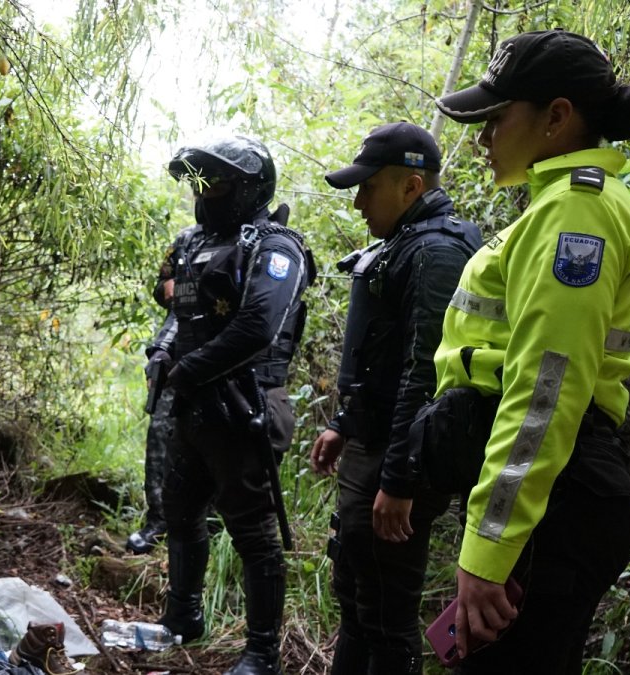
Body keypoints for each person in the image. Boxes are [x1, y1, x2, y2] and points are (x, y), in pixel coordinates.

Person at [430, 29, 630, 672]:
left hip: (562, 495)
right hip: (561, 490)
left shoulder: (577, 213)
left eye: (496, 119)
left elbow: (546, 389)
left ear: (557, 117)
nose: (482, 138)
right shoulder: (561, 206)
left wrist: (489, 547)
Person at [310, 122, 482, 674]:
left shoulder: (438, 251)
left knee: (386, 608)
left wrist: (399, 479)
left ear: (411, 186)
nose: (358, 202)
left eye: (368, 188)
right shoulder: (405, 245)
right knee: (358, 591)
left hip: (399, 456)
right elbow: (379, 355)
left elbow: (425, 371)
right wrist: (342, 421)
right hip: (376, 444)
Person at [155, 134, 313, 675]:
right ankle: (183, 618)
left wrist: (189, 370)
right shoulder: (197, 242)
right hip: (196, 406)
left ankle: (262, 652)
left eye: (218, 182)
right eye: (201, 182)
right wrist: (165, 353)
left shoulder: (276, 246)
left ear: (249, 186)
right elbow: (184, 312)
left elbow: (258, 326)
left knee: (252, 532)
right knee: (179, 509)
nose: (207, 192)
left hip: (246, 404)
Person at [126, 229, 191, 555]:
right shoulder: (186, 240)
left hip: (218, 354)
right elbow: (161, 285)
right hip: (172, 351)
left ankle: (208, 523)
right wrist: (166, 289)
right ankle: (159, 520)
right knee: (160, 437)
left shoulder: (247, 239)